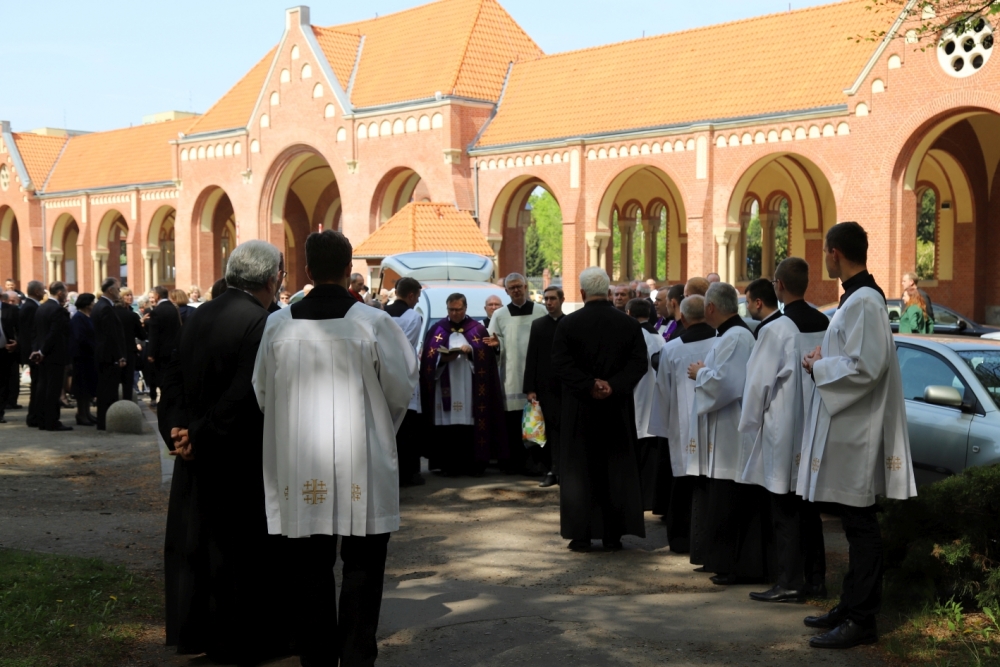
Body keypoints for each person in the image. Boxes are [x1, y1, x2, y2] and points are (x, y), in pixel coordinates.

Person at [252, 230, 417, 666]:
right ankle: (357, 657)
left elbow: (262, 392)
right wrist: (377, 428)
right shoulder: (373, 323)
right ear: (349, 270)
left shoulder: (278, 325)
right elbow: (400, 390)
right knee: (363, 567)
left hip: (299, 462)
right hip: (363, 460)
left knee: (308, 569)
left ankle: (318, 659)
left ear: (307, 270)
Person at [165, 240, 286, 663]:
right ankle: (239, 640)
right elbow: (246, 391)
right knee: (238, 548)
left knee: (199, 543)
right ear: (271, 279)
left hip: (196, 451)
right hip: (237, 451)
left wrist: (177, 431)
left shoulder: (198, 314)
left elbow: (172, 379)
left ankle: (199, 633)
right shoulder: (262, 322)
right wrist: (197, 434)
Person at [799, 222, 916, 649]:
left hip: (858, 432)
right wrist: (823, 358)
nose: (825, 259)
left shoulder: (865, 300)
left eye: (825, 253)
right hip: (850, 427)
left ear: (835, 253)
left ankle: (863, 619)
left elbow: (866, 367)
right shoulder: (857, 297)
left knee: (861, 525)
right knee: (853, 524)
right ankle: (849, 606)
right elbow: (852, 356)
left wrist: (818, 366)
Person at [741, 257, 829, 605]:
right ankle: (816, 579)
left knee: (784, 508)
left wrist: (749, 423)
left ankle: (789, 582)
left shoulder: (776, 329)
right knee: (809, 506)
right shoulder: (823, 321)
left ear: (778, 285)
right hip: (815, 423)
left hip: (784, 425)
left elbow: (758, 383)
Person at [551, 267, 648, 552]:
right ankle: (613, 535)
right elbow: (638, 363)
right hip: (615, 408)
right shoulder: (629, 324)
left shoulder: (568, 324)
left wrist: (588, 385)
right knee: (614, 470)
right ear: (608, 292)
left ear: (582, 293)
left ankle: (581, 535)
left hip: (580, 408)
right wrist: (613, 386)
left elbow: (560, 363)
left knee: (580, 471)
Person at [688, 282, 762, 585]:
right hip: (725, 430)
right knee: (722, 499)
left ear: (710, 308)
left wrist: (700, 373)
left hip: (734, 432)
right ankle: (720, 561)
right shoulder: (729, 335)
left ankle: (734, 566)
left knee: (731, 501)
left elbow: (727, 384)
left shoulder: (737, 337)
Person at [649, 295, 717, 553]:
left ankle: (681, 539)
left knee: (683, 481)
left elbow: (663, 390)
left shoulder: (672, 349)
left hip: (683, 424)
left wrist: (663, 427)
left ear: (683, 318)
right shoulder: (722, 341)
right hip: (716, 422)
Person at [419, 293, 507, 476]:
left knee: (469, 425)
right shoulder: (437, 329)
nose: (454, 313)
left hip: (470, 389)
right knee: (447, 428)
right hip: (444, 388)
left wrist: (472, 352)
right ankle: (448, 466)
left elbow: (489, 361)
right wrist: (442, 360)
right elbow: (428, 360)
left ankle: (473, 465)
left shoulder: (477, 330)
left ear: (465, 308)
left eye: (458, 309)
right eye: (451, 309)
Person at [487, 273, 546, 474]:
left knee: (535, 420)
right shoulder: (499, 315)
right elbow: (494, 343)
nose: (516, 290)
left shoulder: (540, 311)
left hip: (536, 375)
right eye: (511, 288)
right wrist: (497, 345)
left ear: (525, 287)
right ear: (506, 291)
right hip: (511, 376)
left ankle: (536, 463)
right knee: (512, 423)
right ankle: (513, 463)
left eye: (519, 286)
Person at [523, 285, 565, 488]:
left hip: (565, 386)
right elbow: (532, 356)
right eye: (546, 299)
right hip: (544, 386)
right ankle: (550, 470)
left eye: (553, 298)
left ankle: (563, 470)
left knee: (564, 430)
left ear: (562, 300)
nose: (549, 302)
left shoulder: (570, 323)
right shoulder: (538, 325)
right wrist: (530, 388)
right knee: (546, 430)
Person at [386, 277, 426, 487]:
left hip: (384, 375)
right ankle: (410, 472)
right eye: (417, 296)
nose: (417, 301)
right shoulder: (413, 317)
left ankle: (392, 473)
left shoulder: (381, 313)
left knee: (389, 426)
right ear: (411, 295)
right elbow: (406, 345)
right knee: (409, 425)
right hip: (405, 374)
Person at [626, 298, 665, 510]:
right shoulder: (659, 336)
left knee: (640, 454)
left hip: (638, 398)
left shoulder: (635, 335)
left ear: (629, 313)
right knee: (651, 454)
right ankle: (649, 498)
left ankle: (640, 498)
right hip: (656, 399)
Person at [31, 281, 72, 432]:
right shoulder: (57, 310)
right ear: (60, 293)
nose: (66, 295)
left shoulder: (41, 307)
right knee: (53, 389)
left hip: (42, 355)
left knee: (42, 387)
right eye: (65, 292)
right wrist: (42, 351)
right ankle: (52, 421)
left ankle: (42, 420)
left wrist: (37, 351)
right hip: (54, 355)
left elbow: (36, 333)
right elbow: (54, 334)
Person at [91, 278, 127, 430]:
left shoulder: (100, 305)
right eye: (118, 289)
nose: (119, 292)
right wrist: (119, 356)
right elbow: (111, 335)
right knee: (108, 391)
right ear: (111, 290)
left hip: (103, 354)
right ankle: (106, 421)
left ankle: (104, 421)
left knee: (105, 390)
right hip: (107, 356)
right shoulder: (105, 307)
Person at [146, 286, 180, 411]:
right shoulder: (173, 308)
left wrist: (150, 353)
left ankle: (165, 403)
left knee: (161, 378)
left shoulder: (157, 311)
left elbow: (154, 335)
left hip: (160, 352)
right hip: (173, 349)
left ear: (157, 296)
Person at [69, 294, 98, 426]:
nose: (94, 304)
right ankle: (81, 414)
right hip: (82, 357)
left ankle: (87, 412)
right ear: (87, 304)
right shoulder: (78, 318)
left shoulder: (88, 317)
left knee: (88, 386)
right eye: (92, 302)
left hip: (89, 357)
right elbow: (79, 337)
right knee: (82, 387)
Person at [19, 281, 44, 427]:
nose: (44, 292)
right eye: (42, 290)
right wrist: (34, 352)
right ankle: (34, 416)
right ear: (36, 291)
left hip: (31, 352)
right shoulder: (30, 307)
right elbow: (30, 333)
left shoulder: (31, 306)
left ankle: (34, 415)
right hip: (32, 353)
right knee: (36, 386)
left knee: (36, 385)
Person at [115, 295, 146, 402]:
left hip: (112, 351)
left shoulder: (110, 314)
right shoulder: (132, 315)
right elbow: (142, 335)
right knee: (127, 382)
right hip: (129, 351)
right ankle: (127, 403)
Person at [0, 290, 19, 422]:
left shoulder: (11, 310)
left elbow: (20, 329)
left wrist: (17, 342)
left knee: (2, 383)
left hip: (5, 351)